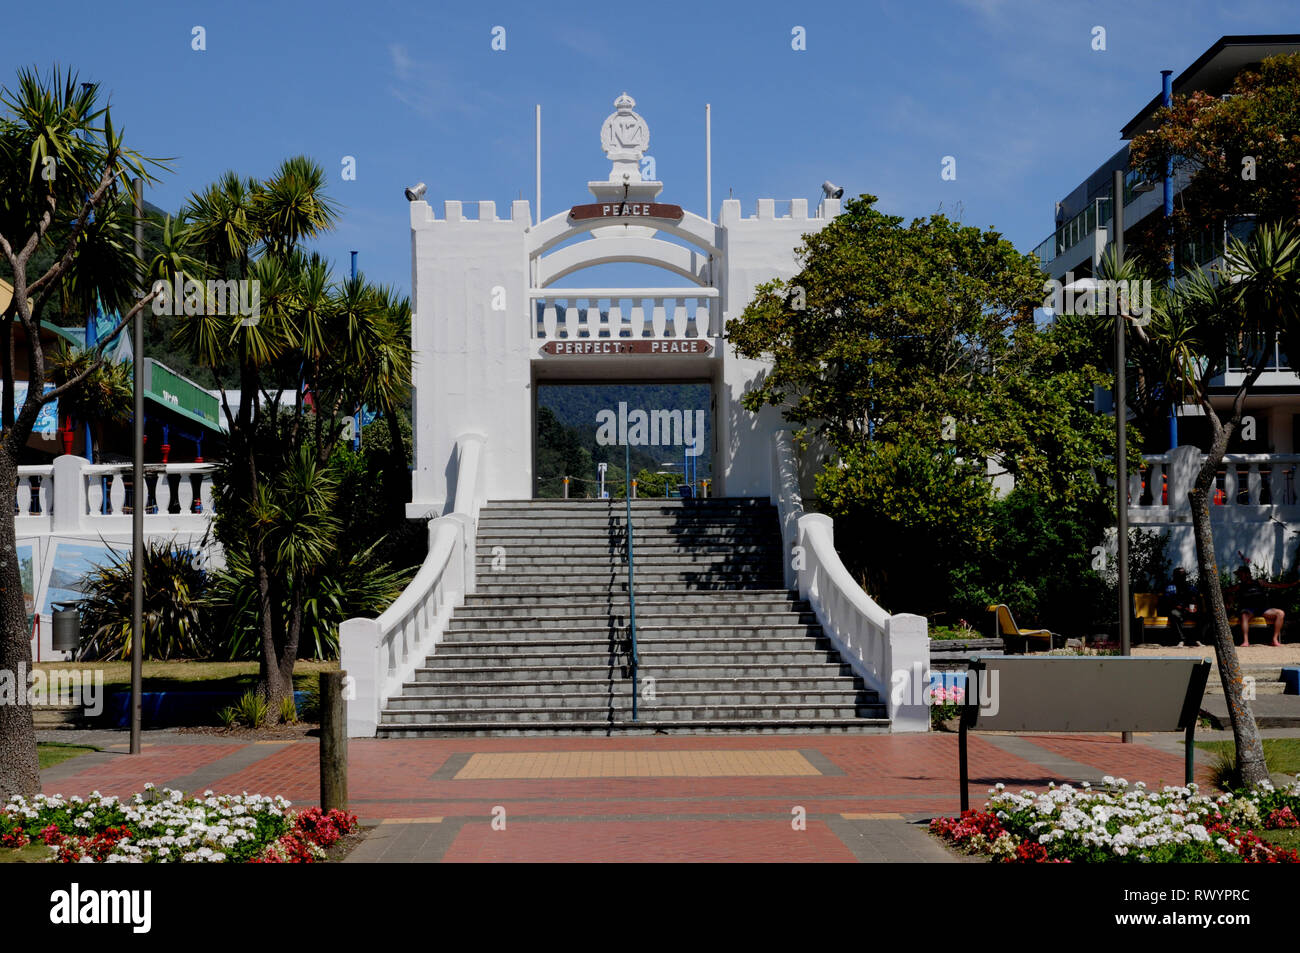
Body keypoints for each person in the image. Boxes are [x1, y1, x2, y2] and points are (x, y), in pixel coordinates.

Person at [1232, 565, 1286, 647]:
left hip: (1263, 609)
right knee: (1244, 616)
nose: (1239, 576)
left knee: (1280, 613)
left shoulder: (1259, 582)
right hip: (1248, 610)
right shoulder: (1239, 586)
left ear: (1247, 574)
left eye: (1241, 574)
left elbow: (1276, 586)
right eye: (1239, 575)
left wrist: (1292, 584)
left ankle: (1274, 640)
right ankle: (1246, 641)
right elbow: (1225, 590)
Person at [1158, 568, 1204, 646]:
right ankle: (1181, 639)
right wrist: (1183, 607)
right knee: (1174, 614)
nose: (1182, 577)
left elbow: (1197, 596)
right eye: (1180, 575)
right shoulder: (1171, 587)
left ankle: (1197, 639)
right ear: (1175, 576)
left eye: (1183, 575)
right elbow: (1169, 602)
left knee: (1202, 616)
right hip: (1178, 610)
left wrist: (1196, 606)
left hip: (1188, 610)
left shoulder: (1189, 587)